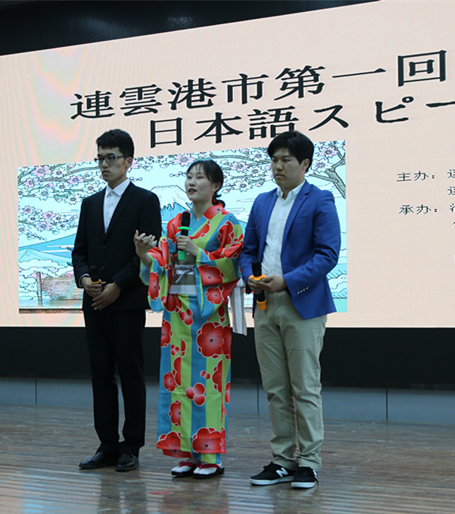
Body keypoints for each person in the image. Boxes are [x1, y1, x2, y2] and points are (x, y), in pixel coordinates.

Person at [239, 131, 341, 489]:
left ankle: (309, 462)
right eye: (274, 160)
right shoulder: (262, 202)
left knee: (305, 386)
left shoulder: (320, 199)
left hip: (302, 302)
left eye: (285, 160)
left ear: (305, 164)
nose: (277, 166)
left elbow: (328, 254)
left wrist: (287, 280)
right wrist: (249, 276)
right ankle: (283, 459)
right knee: (275, 388)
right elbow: (248, 251)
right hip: (264, 303)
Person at [134, 159, 243, 479]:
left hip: (209, 314)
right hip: (177, 312)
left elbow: (233, 264)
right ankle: (185, 453)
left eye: (200, 178)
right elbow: (160, 261)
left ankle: (211, 456)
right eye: (189, 176)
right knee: (177, 383)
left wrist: (200, 253)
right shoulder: (177, 222)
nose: (192, 182)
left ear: (216, 186)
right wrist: (143, 254)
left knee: (208, 384)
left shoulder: (227, 223)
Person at [72, 128, 161, 472]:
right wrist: (84, 279)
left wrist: (118, 286)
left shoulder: (145, 200)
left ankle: (131, 446)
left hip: (126, 301)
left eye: (111, 158)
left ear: (128, 161)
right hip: (94, 301)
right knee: (101, 375)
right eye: (100, 159)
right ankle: (107, 445)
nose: (104, 165)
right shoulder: (90, 203)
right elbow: (79, 251)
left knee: (130, 373)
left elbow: (148, 252)